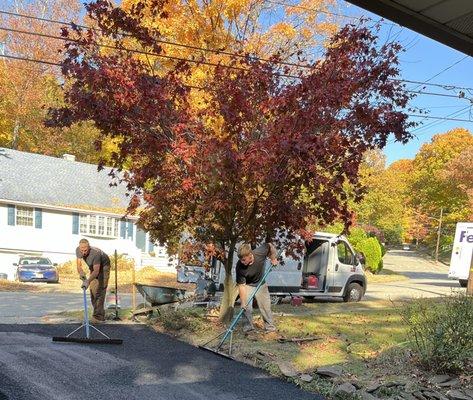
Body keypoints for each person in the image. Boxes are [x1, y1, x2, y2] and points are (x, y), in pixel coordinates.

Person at [236, 242, 278, 333]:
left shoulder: (260, 252)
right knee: (246, 307)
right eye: (240, 260)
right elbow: (241, 286)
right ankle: (248, 329)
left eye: (244, 259)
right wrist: (243, 302)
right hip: (248, 285)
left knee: (266, 306)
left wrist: (273, 258)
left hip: (261, 284)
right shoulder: (239, 266)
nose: (242, 262)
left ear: (250, 255)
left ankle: (270, 329)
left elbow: (269, 245)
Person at [76, 239, 111, 323]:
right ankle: (98, 314)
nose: (83, 252)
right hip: (93, 267)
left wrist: (87, 281)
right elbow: (78, 265)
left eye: (85, 250)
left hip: (103, 267)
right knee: (93, 290)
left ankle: (98, 317)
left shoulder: (95, 253)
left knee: (99, 290)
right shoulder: (78, 250)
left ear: (89, 247)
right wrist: (81, 273)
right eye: (82, 250)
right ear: (79, 247)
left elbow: (96, 271)